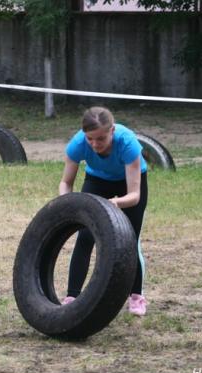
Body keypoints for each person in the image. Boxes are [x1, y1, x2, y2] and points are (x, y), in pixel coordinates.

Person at [59, 106, 148, 316]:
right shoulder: (78, 144)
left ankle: (136, 296)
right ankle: (72, 295)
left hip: (128, 186)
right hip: (97, 181)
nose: (95, 144)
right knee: (85, 236)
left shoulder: (128, 144)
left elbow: (134, 196)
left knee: (130, 239)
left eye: (100, 138)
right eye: (90, 138)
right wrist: (67, 202)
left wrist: (115, 203)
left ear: (112, 130)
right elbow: (65, 182)